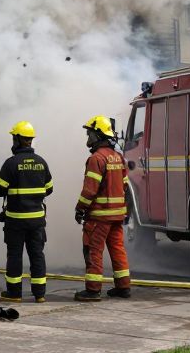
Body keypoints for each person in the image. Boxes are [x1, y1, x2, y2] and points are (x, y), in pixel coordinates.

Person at [0, 121, 53, 303]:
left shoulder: (11, 164)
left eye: (14, 138)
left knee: (15, 255)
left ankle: (14, 293)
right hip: (36, 220)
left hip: (15, 221)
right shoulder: (41, 163)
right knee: (37, 254)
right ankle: (40, 294)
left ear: (18, 140)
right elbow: (49, 189)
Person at [74, 115, 131, 301]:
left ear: (98, 135)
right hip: (117, 215)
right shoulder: (118, 157)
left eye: (89, 134)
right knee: (117, 249)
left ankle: (93, 290)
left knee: (93, 250)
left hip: (100, 216)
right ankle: (123, 287)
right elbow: (124, 185)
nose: (88, 138)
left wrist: (80, 208)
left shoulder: (96, 159)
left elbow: (90, 190)